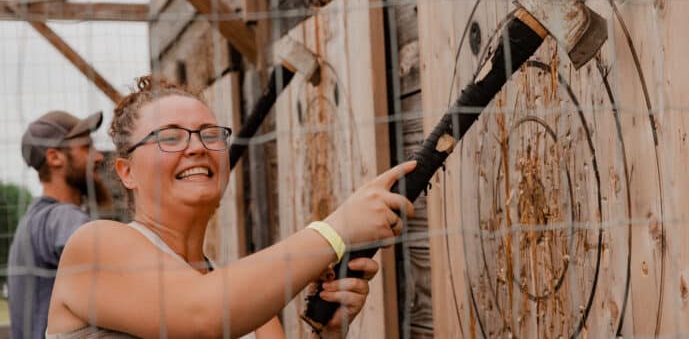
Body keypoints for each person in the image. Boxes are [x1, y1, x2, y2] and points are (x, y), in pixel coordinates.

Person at [47, 76, 416, 338]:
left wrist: (330, 334)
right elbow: (202, 315)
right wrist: (335, 231)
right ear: (127, 172)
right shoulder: (95, 245)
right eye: (171, 137)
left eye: (210, 133)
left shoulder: (248, 305)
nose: (197, 147)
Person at [8, 110, 110, 339]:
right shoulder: (62, 218)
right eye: (87, 148)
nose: (99, 157)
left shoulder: (31, 221)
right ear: (55, 157)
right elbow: (120, 269)